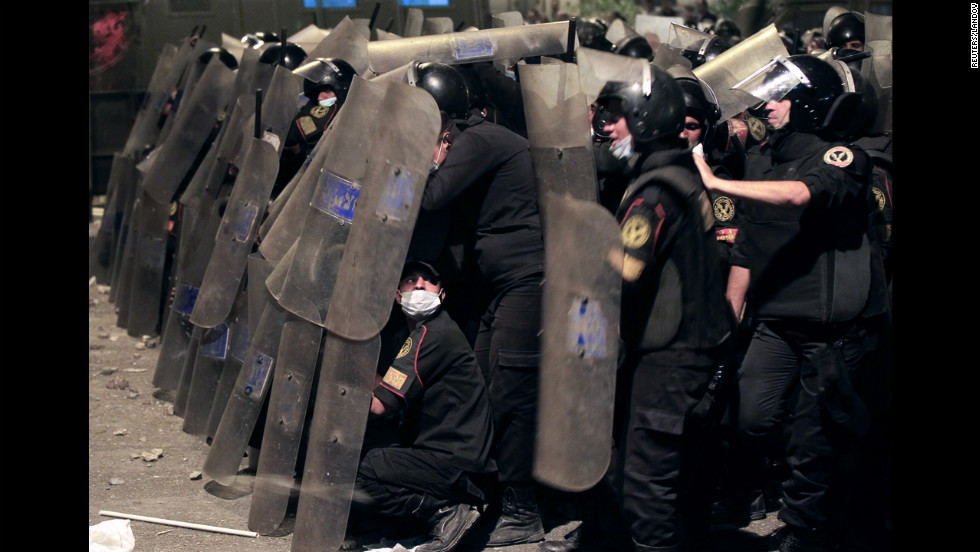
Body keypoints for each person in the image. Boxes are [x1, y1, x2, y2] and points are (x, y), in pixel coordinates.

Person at [691, 54, 887, 552]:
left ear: (807, 104)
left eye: (781, 96)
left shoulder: (845, 157)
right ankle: (752, 495)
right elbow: (748, 248)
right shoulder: (763, 162)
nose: (769, 105)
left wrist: (716, 183)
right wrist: (731, 319)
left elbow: (802, 195)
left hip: (831, 331)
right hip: (776, 322)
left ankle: (806, 529)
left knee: (814, 436)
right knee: (750, 418)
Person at [556, 63, 736, 552]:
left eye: (616, 115)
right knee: (669, 471)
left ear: (646, 117)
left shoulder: (653, 192)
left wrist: (582, 247)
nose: (605, 126)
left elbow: (625, 272)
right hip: (691, 344)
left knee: (646, 481)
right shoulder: (679, 170)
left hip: (672, 352)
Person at [414, 62, 549, 548]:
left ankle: (523, 508)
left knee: (511, 391)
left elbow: (431, 196)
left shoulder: (478, 137)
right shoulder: (467, 137)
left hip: (526, 280)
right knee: (485, 389)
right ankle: (492, 495)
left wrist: (403, 164)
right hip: (500, 284)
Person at [349, 260, 496, 552]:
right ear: (397, 294)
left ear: (442, 295)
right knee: (373, 449)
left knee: (357, 467)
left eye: (429, 280)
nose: (419, 285)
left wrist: (343, 365)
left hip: (457, 464)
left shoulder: (432, 334)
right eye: (411, 279)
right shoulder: (418, 335)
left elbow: (379, 405)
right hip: (446, 457)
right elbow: (387, 390)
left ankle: (442, 512)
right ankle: (411, 523)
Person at [273, 57, 357, 198]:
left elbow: (295, 132)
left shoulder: (343, 113)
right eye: (316, 93)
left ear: (343, 88)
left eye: (326, 90)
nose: (321, 97)